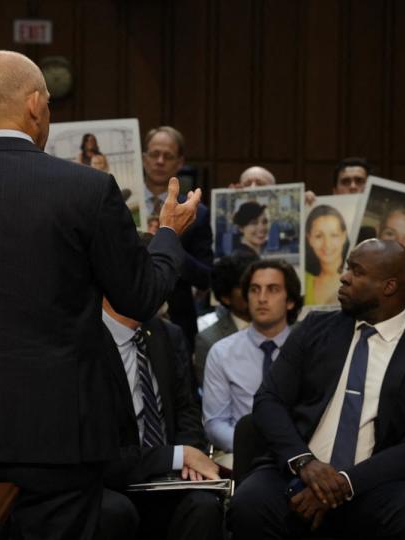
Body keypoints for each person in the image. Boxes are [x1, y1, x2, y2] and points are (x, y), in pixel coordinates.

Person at [0, 50, 201, 540]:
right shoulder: (88, 190)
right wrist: (168, 234)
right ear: (37, 105)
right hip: (63, 433)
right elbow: (138, 297)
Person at [229, 240, 405, 539]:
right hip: (298, 471)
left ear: (388, 287)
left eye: (356, 271)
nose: (344, 276)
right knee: (250, 503)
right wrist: (306, 464)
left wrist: (344, 483)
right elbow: (268, 400)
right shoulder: (315, 328)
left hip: (376, 483)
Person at [99, 300, 223, 540]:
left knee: (204, 505)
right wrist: (178, 455)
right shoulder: (80, 338)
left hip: (169, 476)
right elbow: (95, 450)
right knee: (114, 512)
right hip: (110, 478)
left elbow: (186, 407)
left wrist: (190, 457)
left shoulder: (167, 333)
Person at [202, 259, 302, 456]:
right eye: (255, 290)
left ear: (290, 301)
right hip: (245, 456)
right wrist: (251, 447)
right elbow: (215, 423)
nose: (262, 298)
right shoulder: (222, 352)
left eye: (272, 289)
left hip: (303, 456)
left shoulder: (307, 350)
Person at [141, 126, 215, 348]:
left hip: (177, 324)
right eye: (154, 154)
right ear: (144, 158)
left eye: (168, 156)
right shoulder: (119, 202)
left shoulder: (195, 211)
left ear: (180, 163)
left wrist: (168, 240)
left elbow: (206, 277)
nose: (160, 161)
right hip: (121, 317)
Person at [194, 252, 259, 386]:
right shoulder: (210, 340)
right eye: (248, 287)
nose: (259, 294)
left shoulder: (284, 329)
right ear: (226, 297)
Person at [304, 205, 350, 306]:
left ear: (344, 236)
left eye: (334, 235)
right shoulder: (302, 281)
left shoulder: (356, 279)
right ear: (309, 239)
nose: (327, 244)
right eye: (319, 236)